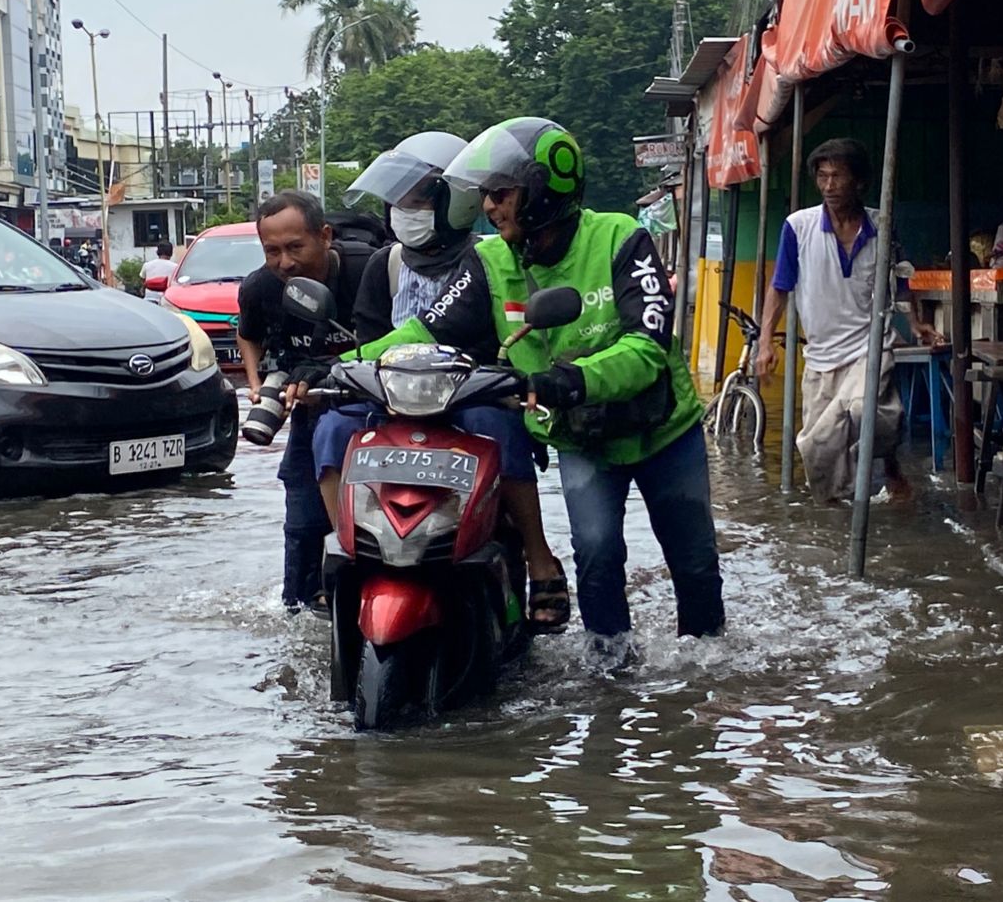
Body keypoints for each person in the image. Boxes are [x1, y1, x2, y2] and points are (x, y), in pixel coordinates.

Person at [337, 117, 724, 657]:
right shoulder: (490, 260)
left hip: (663, 432)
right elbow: (429, 328)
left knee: (694, 557)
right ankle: (610, 667)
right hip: (581, 438)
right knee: (595, 551)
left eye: (502, 193)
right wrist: (344, 363)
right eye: (487, 195)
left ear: (545, 189)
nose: (490, 207)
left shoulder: (620, 238)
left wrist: (562, 380)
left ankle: (709, 667)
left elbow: (647, 349)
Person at [305, 130, 569, 630]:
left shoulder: (493, 260)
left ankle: (539, 559)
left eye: (419, 198)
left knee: (499, 426)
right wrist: (336, 368)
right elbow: (372, 343)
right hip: (391, 401)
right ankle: (348, 551)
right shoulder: (384, 265)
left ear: (459, 201)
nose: (404, 209)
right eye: (397, 201)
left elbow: (486, 334)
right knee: (332, 431)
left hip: (470, 397)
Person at [755, 137, 943, 505]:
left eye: (837, 177)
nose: (828, 186)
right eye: (822, 177)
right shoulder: (798, 227)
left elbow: (900, 283)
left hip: (867, 345)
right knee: (817, 447)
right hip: (821, 354)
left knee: (865, 411)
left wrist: (916, 324)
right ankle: (835, 514)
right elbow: (779, 288)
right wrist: (765, 343)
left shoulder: (881, 226)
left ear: (858, 182)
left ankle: (889, 464)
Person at [237, 190, 376, 611]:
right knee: (300, 513)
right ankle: (298, 606)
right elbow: (248, 335)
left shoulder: (368, 271)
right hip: (308, 404)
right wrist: (257, 382)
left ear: (325, 236)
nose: (285, 263)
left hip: (375, 404)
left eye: (296, 247)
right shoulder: (261, 286)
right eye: (272, 251)